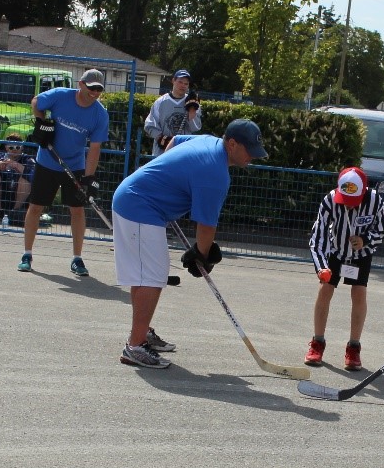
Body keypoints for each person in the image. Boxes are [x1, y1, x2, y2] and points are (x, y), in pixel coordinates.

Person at [110, 119, 267, 368]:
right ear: (233, 144)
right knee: (151, 276)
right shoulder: (215, 173)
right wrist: (201, 254)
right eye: (249, 150)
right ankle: (135, 346)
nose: (253, 157)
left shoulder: (209, 141)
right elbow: (205, 226)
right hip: (139, 206)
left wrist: (168, 178)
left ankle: (141, 332)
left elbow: (175, 142)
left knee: (147, 275)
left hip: (138, 201)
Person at [22, 68, 109, 275]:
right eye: (92, 88)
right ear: (81, 84)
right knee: (35, 207)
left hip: (75, 165)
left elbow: (94, 148)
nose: (95, 93)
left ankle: (77, 259)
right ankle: (27, 254)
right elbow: (36, 102)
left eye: (99, 90)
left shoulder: (100, 114)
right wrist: (41, 122)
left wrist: (88, 178)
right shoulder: (60, 95)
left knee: (77, 210)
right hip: (47, 161)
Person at [305, 166, 384, 371]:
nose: (350, 207)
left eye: (354, 202)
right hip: (336, 251)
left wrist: (365, 239)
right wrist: (321, 267)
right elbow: (318, 238)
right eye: (346, 201)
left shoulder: (376, 200)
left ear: (364, 192)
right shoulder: (330, 200)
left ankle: (354, 347)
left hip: (361, 254)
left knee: (359, 294)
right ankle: (317, 343)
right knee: (325, 290)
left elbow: (383, 229)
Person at [143, 68, 202, 157]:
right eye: (180, 82)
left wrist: (192, 111)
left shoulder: (192, 102)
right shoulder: (160, 102)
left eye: (186, 83)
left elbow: (196, 128)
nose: (183, 85)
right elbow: (149, 125)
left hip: (183, 153)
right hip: (161, 153)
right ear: (173, 81)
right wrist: (161, 138)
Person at [0, 132, 35, 223]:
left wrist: (17, 166)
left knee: (24, 180)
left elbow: (35, 177)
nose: (14, 150)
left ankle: (15, 212)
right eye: (11, 147)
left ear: (22, 147)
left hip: (21, 199)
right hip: (3, 194)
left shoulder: (28, 159)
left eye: (17, 147)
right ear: (6, 147)